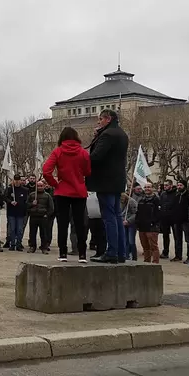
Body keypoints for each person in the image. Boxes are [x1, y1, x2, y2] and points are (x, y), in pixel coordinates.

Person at [86, 109, 129, 264]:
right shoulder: (122, 134)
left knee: (109, 216)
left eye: (101, 119)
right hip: (117, 180)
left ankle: (111, 252)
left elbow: (96, 156)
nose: (99, 122)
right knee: (116, 215)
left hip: (105, 181)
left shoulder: (107, 134)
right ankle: (121, 252)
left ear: (108, 119)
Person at [43, 127, 91, 262]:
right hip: (79, 191)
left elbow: (46, 171)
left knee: (62, 223)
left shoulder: (57, 152)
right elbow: (88, 171)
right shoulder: (83, 153)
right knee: (80, 223)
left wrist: (55, 183)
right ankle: (82, 254)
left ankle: (62, 253)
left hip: (62, 190)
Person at [136, 182, 161, 264]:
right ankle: (146, 263)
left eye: (149, 187)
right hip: (142, 227)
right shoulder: (141, 199)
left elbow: (159, 214)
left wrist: (153, 222)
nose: (147, 189)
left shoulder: (156, 199)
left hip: (152, 227)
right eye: (146, 187)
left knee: (153, 247)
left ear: (152, 188)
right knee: (145, 247)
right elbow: (138, 212)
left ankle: (155, 263)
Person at [26, 180, 54, 254]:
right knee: (32, 233)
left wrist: (47, 215)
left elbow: (51, 208)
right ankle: (32, 247)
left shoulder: (47, 196)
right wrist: (32, 204)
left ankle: (44, 247)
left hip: (43, 217)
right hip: (33, 216)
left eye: (41, 186)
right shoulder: (32, 195)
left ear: (44, 186)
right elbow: (26, 205)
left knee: (44, 233)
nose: (39, 187)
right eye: (38, 186)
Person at [4, 175, 29, 251]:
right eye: (16, 180)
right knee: (12, 229)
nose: (17, 181)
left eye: (18, 180)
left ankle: (18, 243)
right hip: (11, 212)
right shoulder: (9, 189)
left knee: (20, 229)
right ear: (13, 180)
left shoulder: (25, 190)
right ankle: (12, 244)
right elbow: (5, 197)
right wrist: (11, 202)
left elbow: (26, 201)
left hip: (21, 213)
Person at [172, 180, 189, 264]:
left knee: (188, 239)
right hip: (177, 221)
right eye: (178, 185)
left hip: (186, 221)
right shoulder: (176, 195)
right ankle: (178, 255)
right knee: (177, 239)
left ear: (184, 186)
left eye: (180, 185)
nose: (179, 187)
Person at [159, 179, 176, 259]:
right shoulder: (163, 194)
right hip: (164, 218)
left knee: (177, 237)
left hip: (174, 218)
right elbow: (161, 204)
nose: (165, 186)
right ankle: (165, 252)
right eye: (164, 185)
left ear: (171, 185)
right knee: (165, 236)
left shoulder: (176, 194)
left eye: (167, 185)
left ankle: (178, 254)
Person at [121, 191, 138, 261]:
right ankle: (126, 255)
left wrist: (128, 221)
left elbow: (135, 213)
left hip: (131, 224)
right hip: (123, 223)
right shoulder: (120, 202)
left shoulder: (131, 201)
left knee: (131, 241)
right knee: (125, 241)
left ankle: (134, 257)